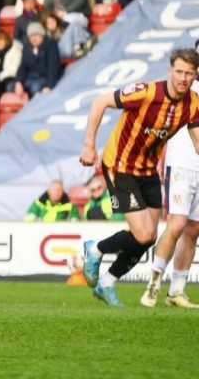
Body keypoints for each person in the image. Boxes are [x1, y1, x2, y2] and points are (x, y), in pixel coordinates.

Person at [80, 49, 199, 308]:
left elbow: (198, 142)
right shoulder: (145, 92)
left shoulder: (193, 103)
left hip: (148, 171)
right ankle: (96, 249)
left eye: (189, 73)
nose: (183, 78)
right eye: (178, 71)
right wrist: (89, 144)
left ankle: (107, 282)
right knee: (144, 234)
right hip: (120, 166)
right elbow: (100, 102)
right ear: (170, 71)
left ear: (195, 75)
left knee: (149, 236)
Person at [142, 43, 199, 308]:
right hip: (181, 165)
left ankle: (176, 291)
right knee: (176, 224)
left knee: (193, 229)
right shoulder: (185, 89)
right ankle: (153, 283)